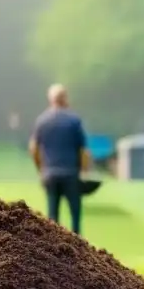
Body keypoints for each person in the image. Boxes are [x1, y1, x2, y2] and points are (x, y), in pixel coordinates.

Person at [30, 84, 91, 235]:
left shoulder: (42, 120)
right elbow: (83, 151)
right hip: (70, 172)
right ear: (65, 98)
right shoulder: (74, 120)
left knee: (52, 218)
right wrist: (83, 171)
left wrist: (40, 169)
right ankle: (79, 250)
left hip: (50, 173)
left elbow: (33, 149)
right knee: (75, 214)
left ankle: (54, 254)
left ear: (50, 99)